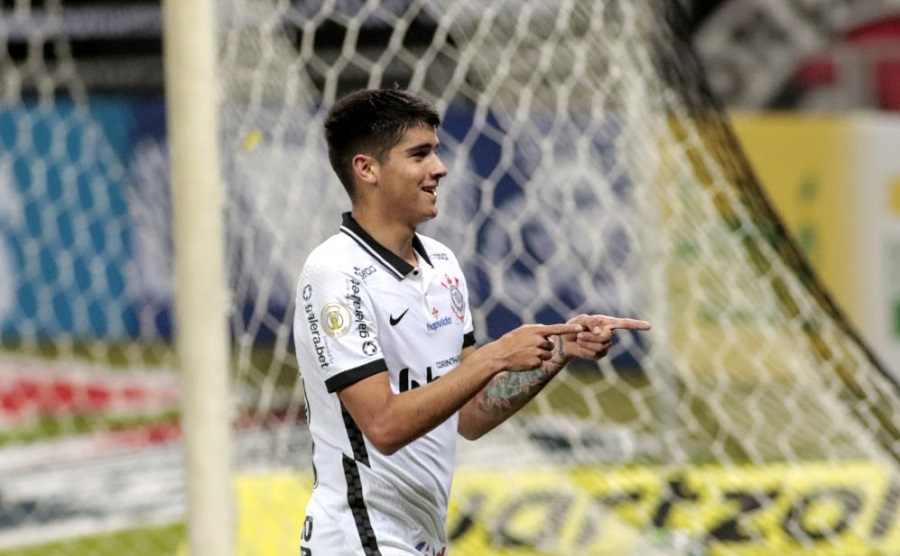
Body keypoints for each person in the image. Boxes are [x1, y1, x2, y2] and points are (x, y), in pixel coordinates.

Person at [292, 88, 652, 556]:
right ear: (367, 169)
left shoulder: (442, 265)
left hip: (424, 538)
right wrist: (496, 355)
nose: (439, 168)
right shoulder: (335, 274)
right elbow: (382, 426)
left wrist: (560, 350)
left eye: (436, 152)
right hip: (360, 534)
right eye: (419, 154)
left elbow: (470, 414)